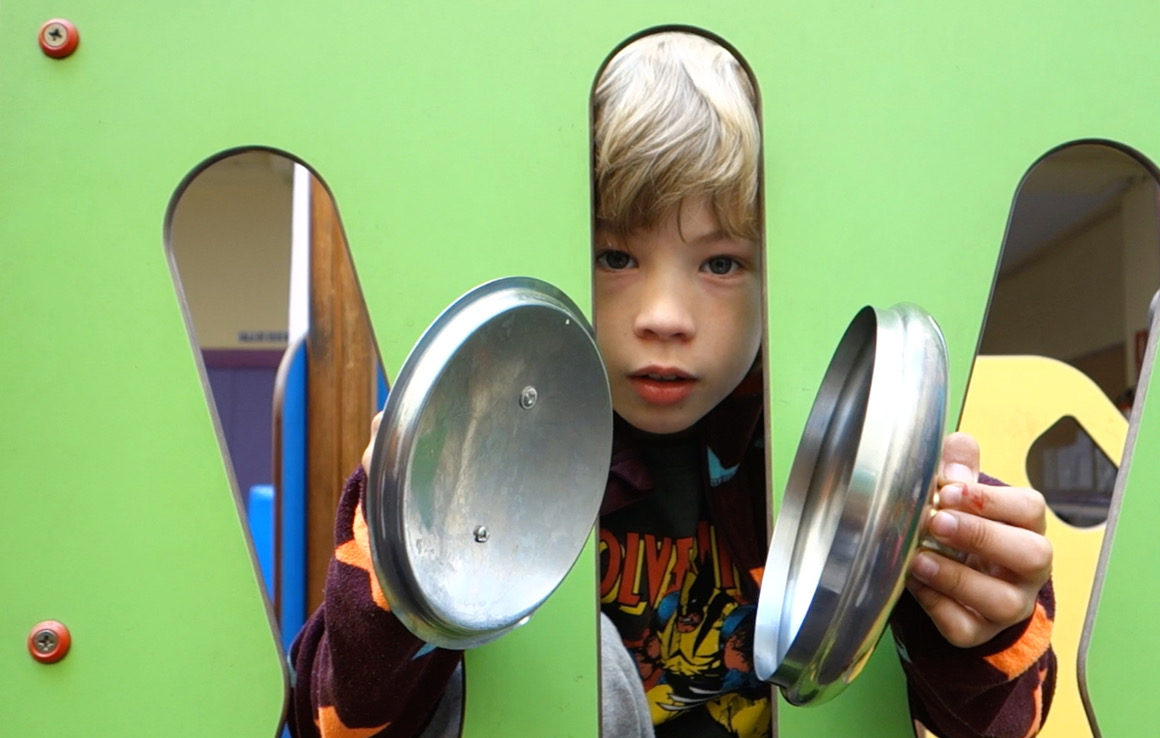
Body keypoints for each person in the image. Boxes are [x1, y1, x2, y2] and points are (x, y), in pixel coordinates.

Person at [287, 31, 1055, 738]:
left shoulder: (837, 449)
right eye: (615, 257)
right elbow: (327, 716)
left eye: (720, 263)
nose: (663, 316)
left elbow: (1000, 724)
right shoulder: (478, 448)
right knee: (583, 664)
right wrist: (408, 538)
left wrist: (977, 611)